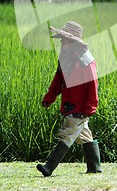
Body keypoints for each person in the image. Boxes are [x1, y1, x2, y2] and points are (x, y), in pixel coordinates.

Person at [36, 21, 102, 177]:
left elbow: (93, 85)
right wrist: (49, 97)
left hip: (79, 108)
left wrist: (90, 106)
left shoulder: (86, 60)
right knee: (84, 136)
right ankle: (95, 167)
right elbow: (58, 80)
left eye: (63, 39)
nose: (61, 41)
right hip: (69, 104)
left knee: (66, 134)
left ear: (72, 41)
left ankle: (49, 167)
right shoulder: (65, 58)